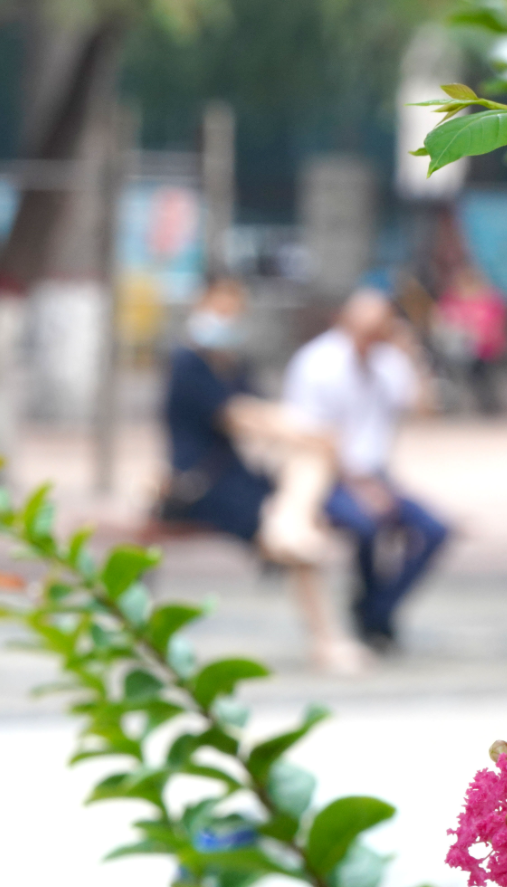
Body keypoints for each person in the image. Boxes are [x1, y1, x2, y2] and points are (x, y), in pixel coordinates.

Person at [161, 277, 367, 673]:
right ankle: (326, 638)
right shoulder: (188, 363)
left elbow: (259, 408)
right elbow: (242, 416)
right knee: (299, 544)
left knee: (305, 479)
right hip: (201, 486)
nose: (227, 318)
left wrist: (304, 437)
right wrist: (308, 433)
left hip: (236, 477)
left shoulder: (233, 363)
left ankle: (290, 527)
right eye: (220, 309)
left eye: (233, 310)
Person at [283, 288, 450, 651]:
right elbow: (309, 435)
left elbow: (424, 409)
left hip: (376, 475)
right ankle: (372, 617)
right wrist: (359, 484)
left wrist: (414, 356)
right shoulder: (318, 363)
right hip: (327, 477)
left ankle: (377, 609)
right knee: (366, 524)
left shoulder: (389, 362)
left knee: (435, 530)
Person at [432, 266, 507, 415]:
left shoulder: (490, 300)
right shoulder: (451, 299)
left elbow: (493, 328)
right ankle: (448, 402)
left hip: (485, 348)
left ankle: (489, 405)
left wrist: (475, 335)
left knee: (479, 372)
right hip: (456, 347)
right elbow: (440, 319)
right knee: (443, 366)